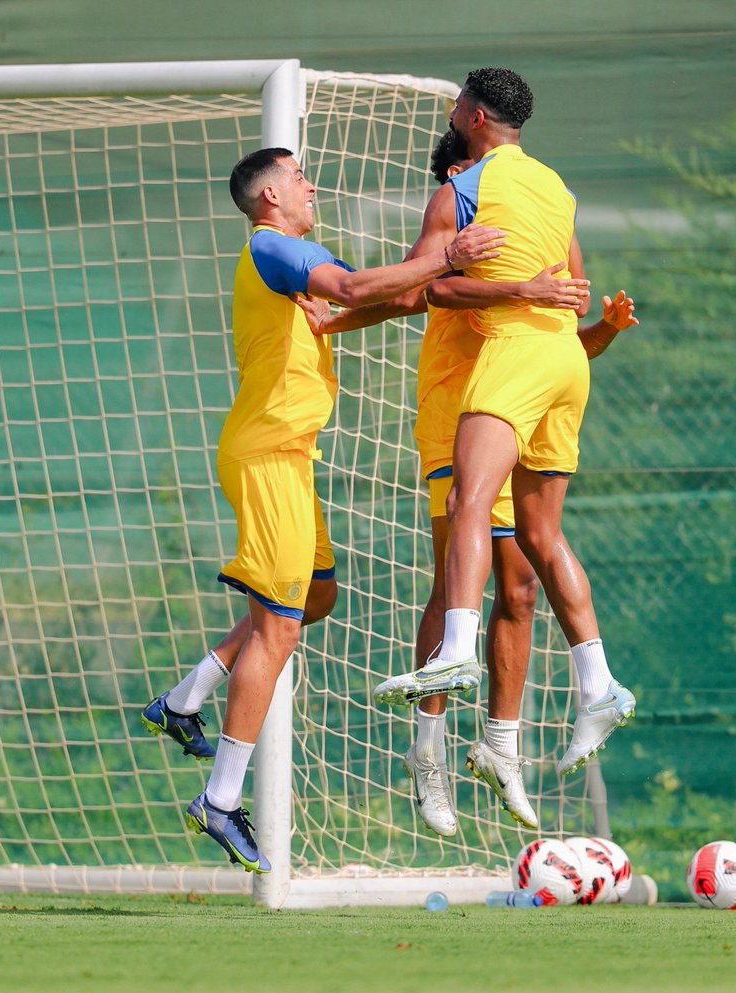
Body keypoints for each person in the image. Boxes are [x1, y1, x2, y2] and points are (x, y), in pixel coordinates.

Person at [142, 146, 503, 873]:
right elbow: (355, 286)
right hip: (266, 455)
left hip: (290, 457)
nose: (312, 184)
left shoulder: (298, 254)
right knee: (277, 630)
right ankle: (220, 799)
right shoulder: (272, 246)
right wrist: (447, 254)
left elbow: (381, 296)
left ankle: (184, 700)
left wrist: (478, 282)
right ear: (270, 195)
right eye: (300, 175)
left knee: (315, 599)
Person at [311, 128, 638, 835]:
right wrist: (333, 320)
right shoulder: (457, 240)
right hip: (453, 415)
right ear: (459, 178)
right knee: (451, 578)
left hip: (515, 407)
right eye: (469, 178)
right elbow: (410, 296)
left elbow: (562, 340)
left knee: (520, 586)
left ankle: (500, 747)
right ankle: (427, 753)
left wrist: (605, 330)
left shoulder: (524, 240)